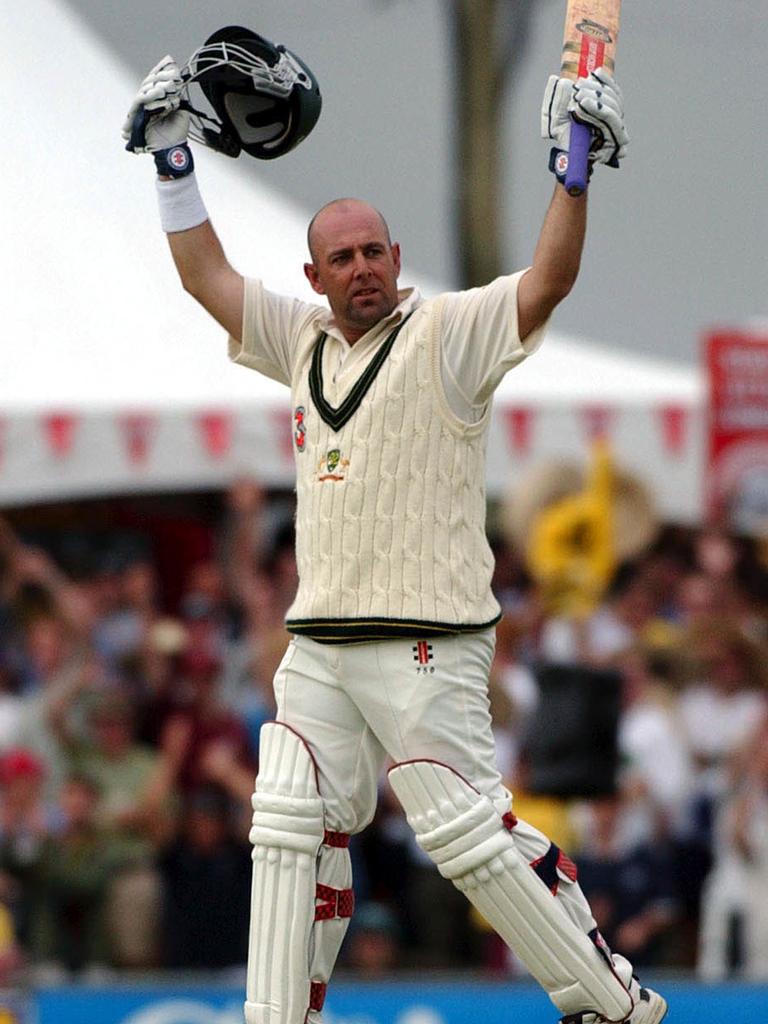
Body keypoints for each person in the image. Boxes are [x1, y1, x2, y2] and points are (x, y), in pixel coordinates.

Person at [124, 42, 665, 1024]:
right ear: (316, 273)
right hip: (321, 643)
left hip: (430, 642)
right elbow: (207, 277)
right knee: (288, 824)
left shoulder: (450, 334)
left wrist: (573, 173)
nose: (364, 268)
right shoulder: (298, 340)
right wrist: (171, 156)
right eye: (345, 258)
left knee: (466, 836)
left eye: (377, 251)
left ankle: (611, 1004)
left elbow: (546, 280)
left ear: (396, 259)